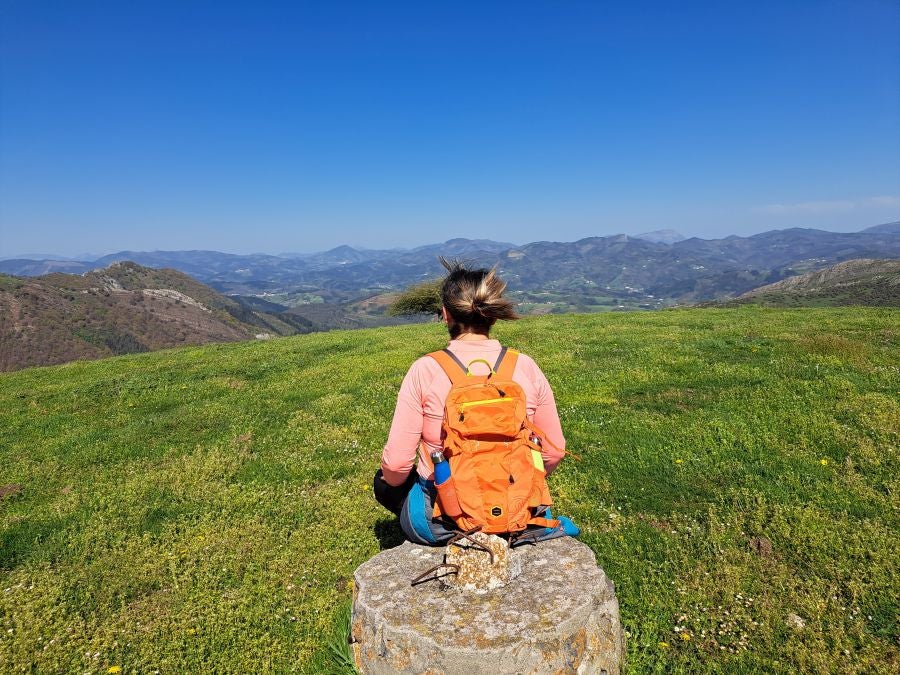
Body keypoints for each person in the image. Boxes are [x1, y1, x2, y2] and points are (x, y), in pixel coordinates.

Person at [373, 258, 577, 545]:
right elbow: (554, 452)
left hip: (443, 521)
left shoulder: (425, 370)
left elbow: (396, 465)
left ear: (445, 314)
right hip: (518, 513)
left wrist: (392, 483)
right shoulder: (526, 367)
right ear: (492, 316)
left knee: (384, 483)